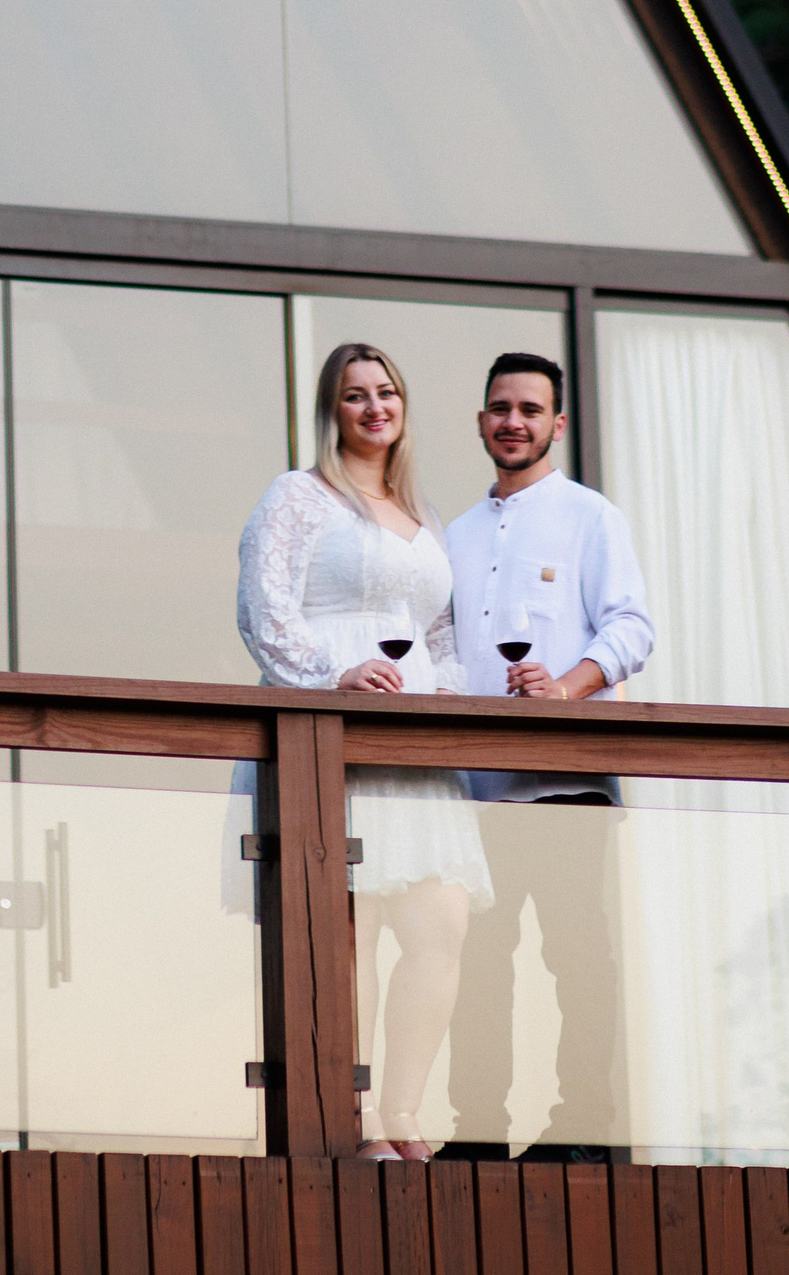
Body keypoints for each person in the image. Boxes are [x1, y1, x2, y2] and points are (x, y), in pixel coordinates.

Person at [237, 341, 491, 1164]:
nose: (375, 406)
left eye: (387, 392)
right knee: (352, 927)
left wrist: (443, 692)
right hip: (331, 731)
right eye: (356, 394)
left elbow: (443, 635)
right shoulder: (298, 496)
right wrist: (330, 675)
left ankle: (403, 1109)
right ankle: (353, 1118)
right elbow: (263, 607)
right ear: (332, 410)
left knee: (441, 922)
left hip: (412, 744)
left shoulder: (425, 517)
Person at [443, 351, 654, 1156]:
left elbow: (632, 627)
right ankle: (476, 1130)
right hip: (476, 786)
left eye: (530, 409)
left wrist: (566, 687)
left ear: (556, 424)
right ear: (481, 419)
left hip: (567, 779)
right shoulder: (454, 535)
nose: (514, 421)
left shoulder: (590, 516)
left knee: (577, 955)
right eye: (501, 407)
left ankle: (586, 1126)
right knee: (477, 960)